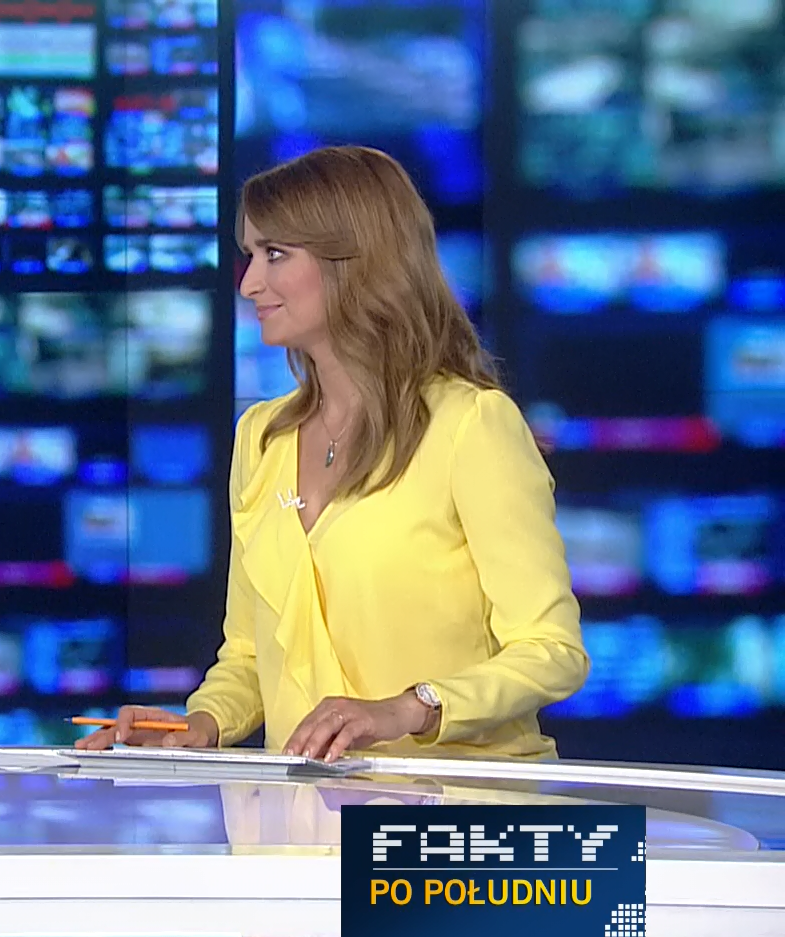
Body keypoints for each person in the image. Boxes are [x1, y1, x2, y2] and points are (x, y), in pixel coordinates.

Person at [80, 145, 587, 763]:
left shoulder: (470, 425)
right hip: (304, 813)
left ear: (355, 261)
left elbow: (551, 650)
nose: (249, 283)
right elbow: (249, 654)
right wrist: (202, 723)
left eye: (274, 254)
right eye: (249, 255)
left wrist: (410, 708)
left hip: (455, 810)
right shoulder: (261, 439)